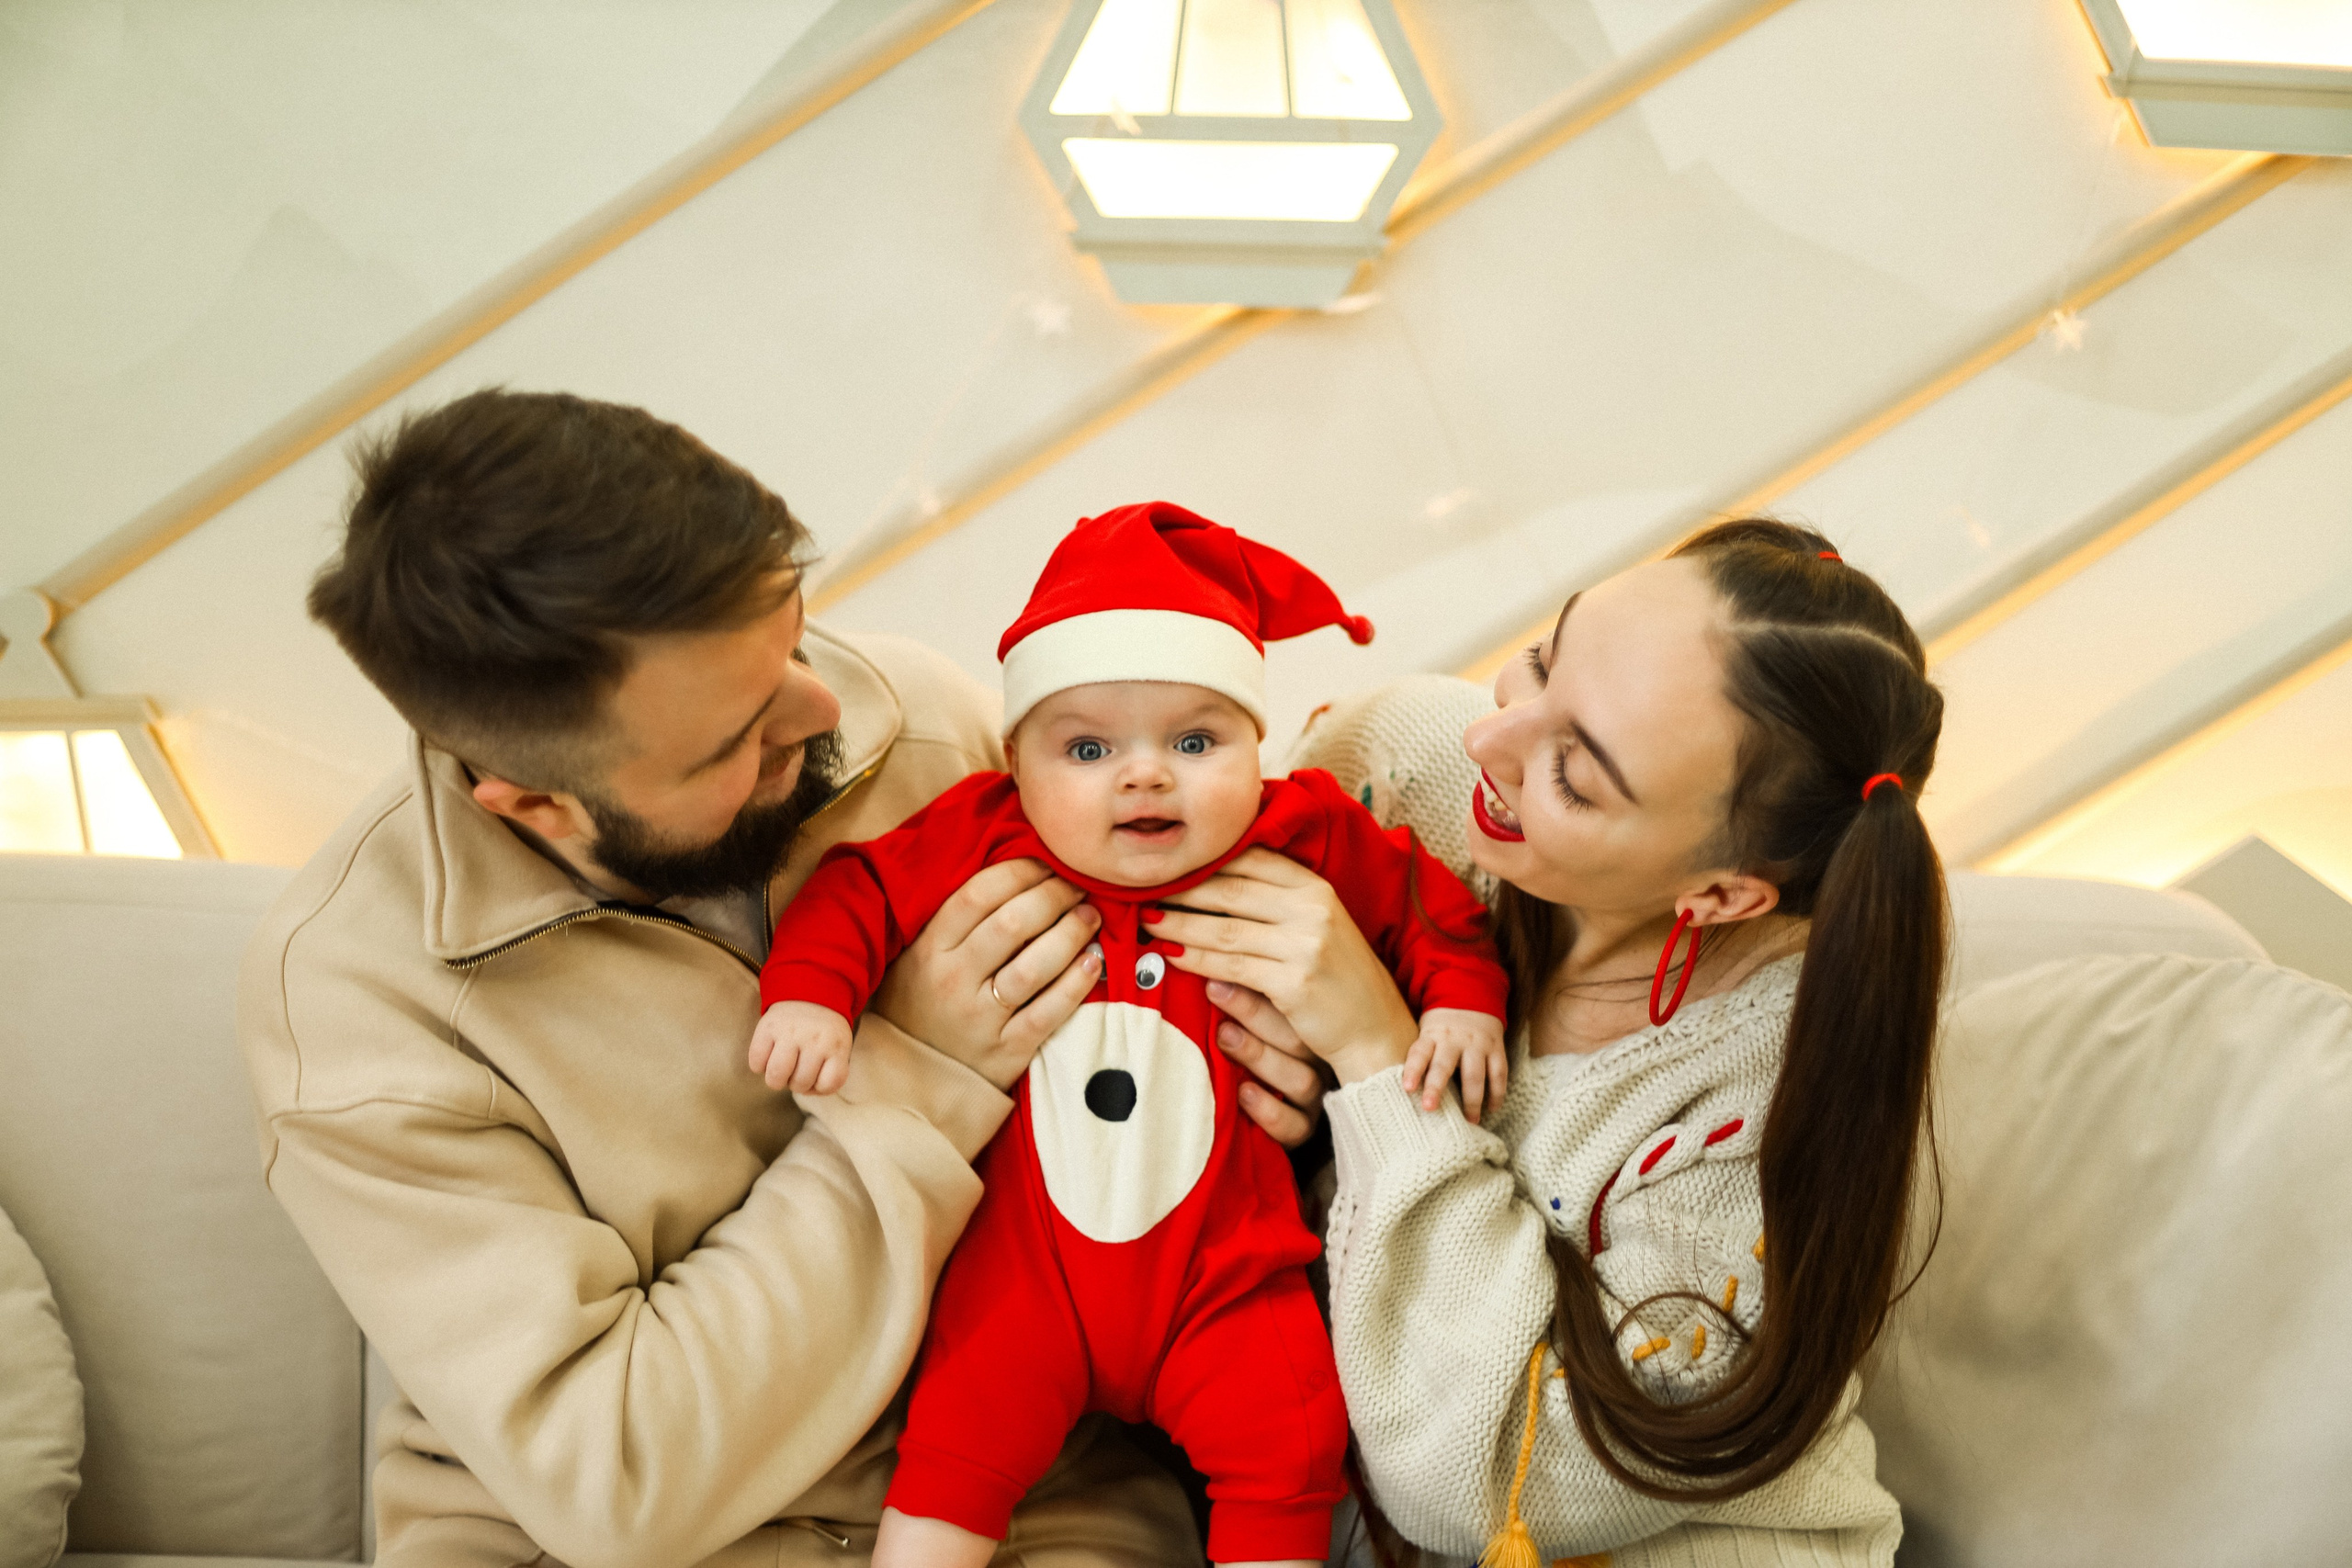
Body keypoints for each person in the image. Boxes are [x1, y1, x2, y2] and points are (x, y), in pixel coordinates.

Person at [238, 390, 1310, 1567]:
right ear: (538, 803)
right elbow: (622, 1484)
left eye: (796, 636)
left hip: (1034, 1502)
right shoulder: (357, 997)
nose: (823, 706)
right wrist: (919, 1075)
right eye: (737, 738)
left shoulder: (926, 728)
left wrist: (1297, 1067)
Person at [1147, 521, 1944, 1564]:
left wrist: (1378, 1062)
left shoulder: (1762, 1102)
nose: (1491, 739)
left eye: (1573, 773)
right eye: (1540, 659)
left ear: (1719, 894)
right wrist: (1279, 1111)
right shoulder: (1403, 766)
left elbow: (1484, 1480)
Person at [751, 502, 1510, 1568]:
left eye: (1196, 742)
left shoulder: (1302, 830)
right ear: (1015, 760)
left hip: (1227, 1274)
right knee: (959, 1438)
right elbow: (859, 893)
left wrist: (1462, 998)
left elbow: (1426, 905)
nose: (1145, 774)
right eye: (1087, 748)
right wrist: (810, 995)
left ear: (1257, 747)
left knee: (1289, 1440)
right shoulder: (982, 830)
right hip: (1022, 1279)